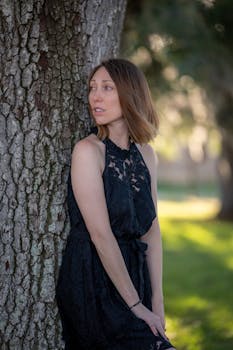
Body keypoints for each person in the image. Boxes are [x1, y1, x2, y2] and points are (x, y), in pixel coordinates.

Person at [55, 58, 176, 350]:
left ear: (130, 94)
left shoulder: (147, 155)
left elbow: (151, 231)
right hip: (95, 283)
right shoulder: (88, 152)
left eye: (107, 88)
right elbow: (100, 234)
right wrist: (135, 305)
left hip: (136, 278)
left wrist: (156, 301)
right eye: (92, 88)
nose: (95, 96)